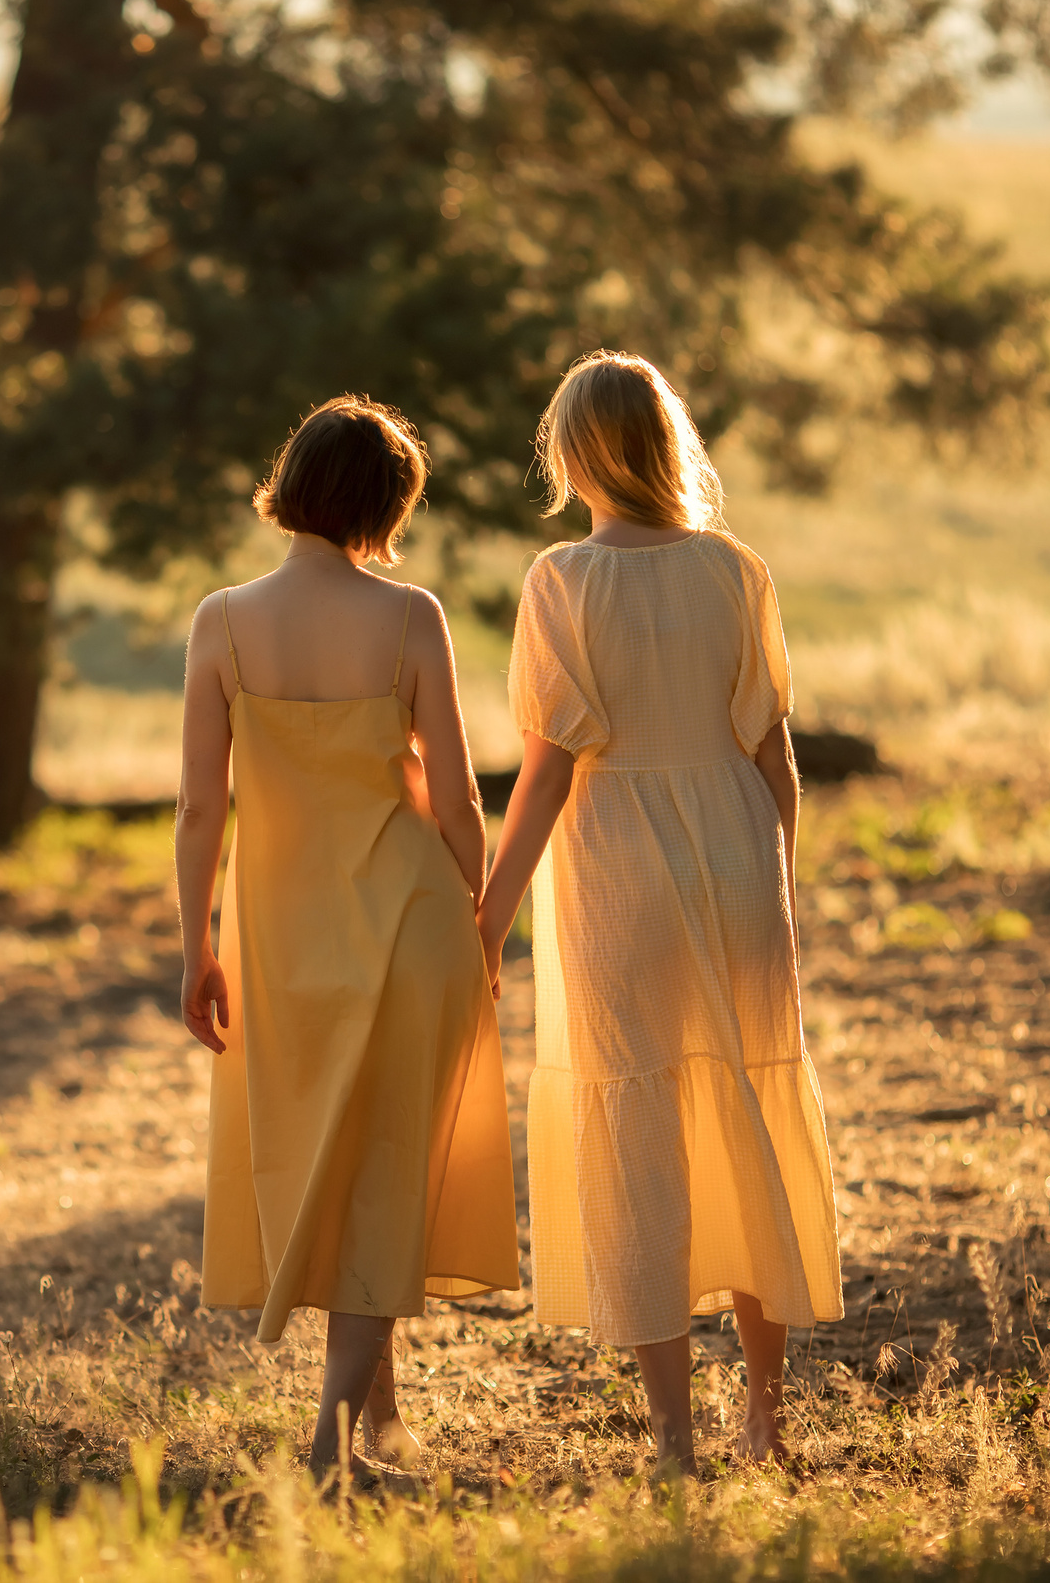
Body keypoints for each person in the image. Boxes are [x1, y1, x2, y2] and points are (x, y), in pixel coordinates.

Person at [474, 352, 841, 1473]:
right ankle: (766, 1420)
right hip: (737, 854)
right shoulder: (737, 569)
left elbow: (542, 775)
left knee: (637, 1134)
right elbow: (772, 753)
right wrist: (777, 886)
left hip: (616, 870)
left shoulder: (560, 581)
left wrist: (486, 920)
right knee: (747, 1115)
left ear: (576, 455)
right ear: (666, 442)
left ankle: (675, 1440)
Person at [175, 396, 520, 1484]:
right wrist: (481, 921)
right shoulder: (410, 616)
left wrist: (195, 947)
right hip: (407, 923)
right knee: (378, 1167)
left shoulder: (221, 621)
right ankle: (334, 1434)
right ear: (384, 505)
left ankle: (378, 1422)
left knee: (321, 1159)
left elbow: (199, 810)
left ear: (293, 487)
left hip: (277, 935)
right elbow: (459, 799)